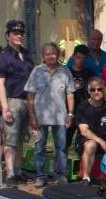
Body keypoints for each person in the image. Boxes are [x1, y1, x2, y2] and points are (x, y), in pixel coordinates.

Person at [26, 42, 75, 185]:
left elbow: (70, 94)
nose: (51, 56)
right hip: (40, 117)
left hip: (60, 117)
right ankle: (40, 176)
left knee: (61, 148)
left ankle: (60, 175)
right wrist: (32, 116)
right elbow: (30, 96)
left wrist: (70, 114)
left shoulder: (65, 71)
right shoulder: (36, 71)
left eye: (53, 53)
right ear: (43, 56)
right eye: (47, 54)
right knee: (39, 148)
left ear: (58, 54)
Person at [0, 20, 34, 182]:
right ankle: (9, 171)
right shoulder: (3, 56)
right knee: (10, 139)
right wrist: (5, 108)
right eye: (15, 33)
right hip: (12, 100)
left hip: (26, 101)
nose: (19, 36)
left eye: (21, 33)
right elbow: (0, 83)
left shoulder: (26, 54)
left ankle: (17, 170)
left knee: (20, 138)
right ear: (7, 36)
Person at [76, 77, 106, 180]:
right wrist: (101, 142)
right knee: (91, 145)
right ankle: (86, 177)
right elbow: (84, 131)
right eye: (93, 89)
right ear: (89, 91)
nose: (96, 92)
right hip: (87, 139)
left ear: (104, 90)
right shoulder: (82, 107)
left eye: (99, 89)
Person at [68, 44, 94, 110]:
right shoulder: (66, 73)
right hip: (69, 109)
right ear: (73, 56)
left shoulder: (90, 73)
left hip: (86, 109)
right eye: (78, 57)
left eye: (83, 58)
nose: (80, 60)